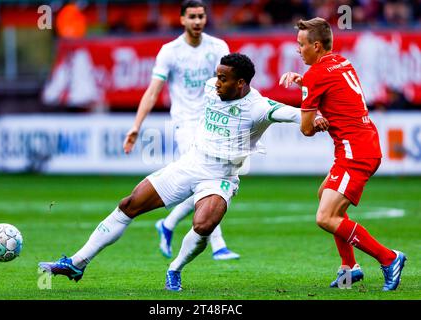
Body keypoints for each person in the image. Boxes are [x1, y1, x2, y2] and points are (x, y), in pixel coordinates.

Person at [39, 53, 318, 291]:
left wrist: (314, 110)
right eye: (217, 76)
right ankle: (76, 263)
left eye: (223, 78)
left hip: (220, 177)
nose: (216, 82)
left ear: (241, 83)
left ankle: (175, 269)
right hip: (190, 164)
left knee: (204, 225)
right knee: (128, 205)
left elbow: (300, 117)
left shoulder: (259, 107)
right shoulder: (212, 87)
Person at [279, 17, 407, 291]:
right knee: (324, 194)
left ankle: (389, 258)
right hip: (364, 144)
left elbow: (306, 129)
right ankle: (349, 268)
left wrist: (308, 96)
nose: (297, 50)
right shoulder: (341, 62)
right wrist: (307, 85)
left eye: (301, 45)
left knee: (325, 217)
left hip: (355, 154)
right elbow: (335, 91)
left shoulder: (315, 76)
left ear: (315, 45)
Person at [123, 0, 239, 261]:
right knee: (208, 178)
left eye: (201, 16)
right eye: (192, 17)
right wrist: (136, 126)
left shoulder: (218, 47)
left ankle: (167, 224)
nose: (197, 21)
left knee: (205, 181)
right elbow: (153, 91)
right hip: (185, 124)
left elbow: (230, 87)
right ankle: (218, 245)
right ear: (182, 20)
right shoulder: (170, 51)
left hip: (212, 123)